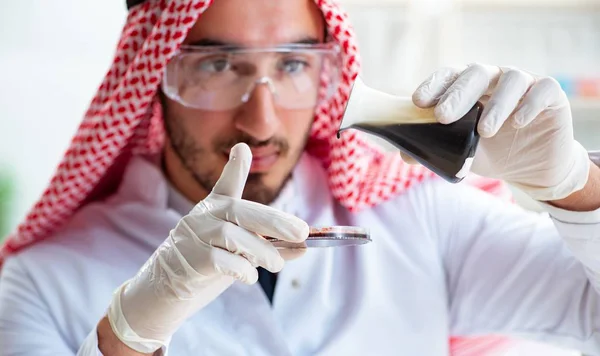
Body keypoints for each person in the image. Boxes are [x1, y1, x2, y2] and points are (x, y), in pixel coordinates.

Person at [0, 0, 599, 355]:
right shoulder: (44, 280)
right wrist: (127, 335)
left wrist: (575, 185)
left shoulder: (422, 218)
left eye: (292, 65)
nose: (259, 121)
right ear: (154, 73)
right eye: (217, 65)